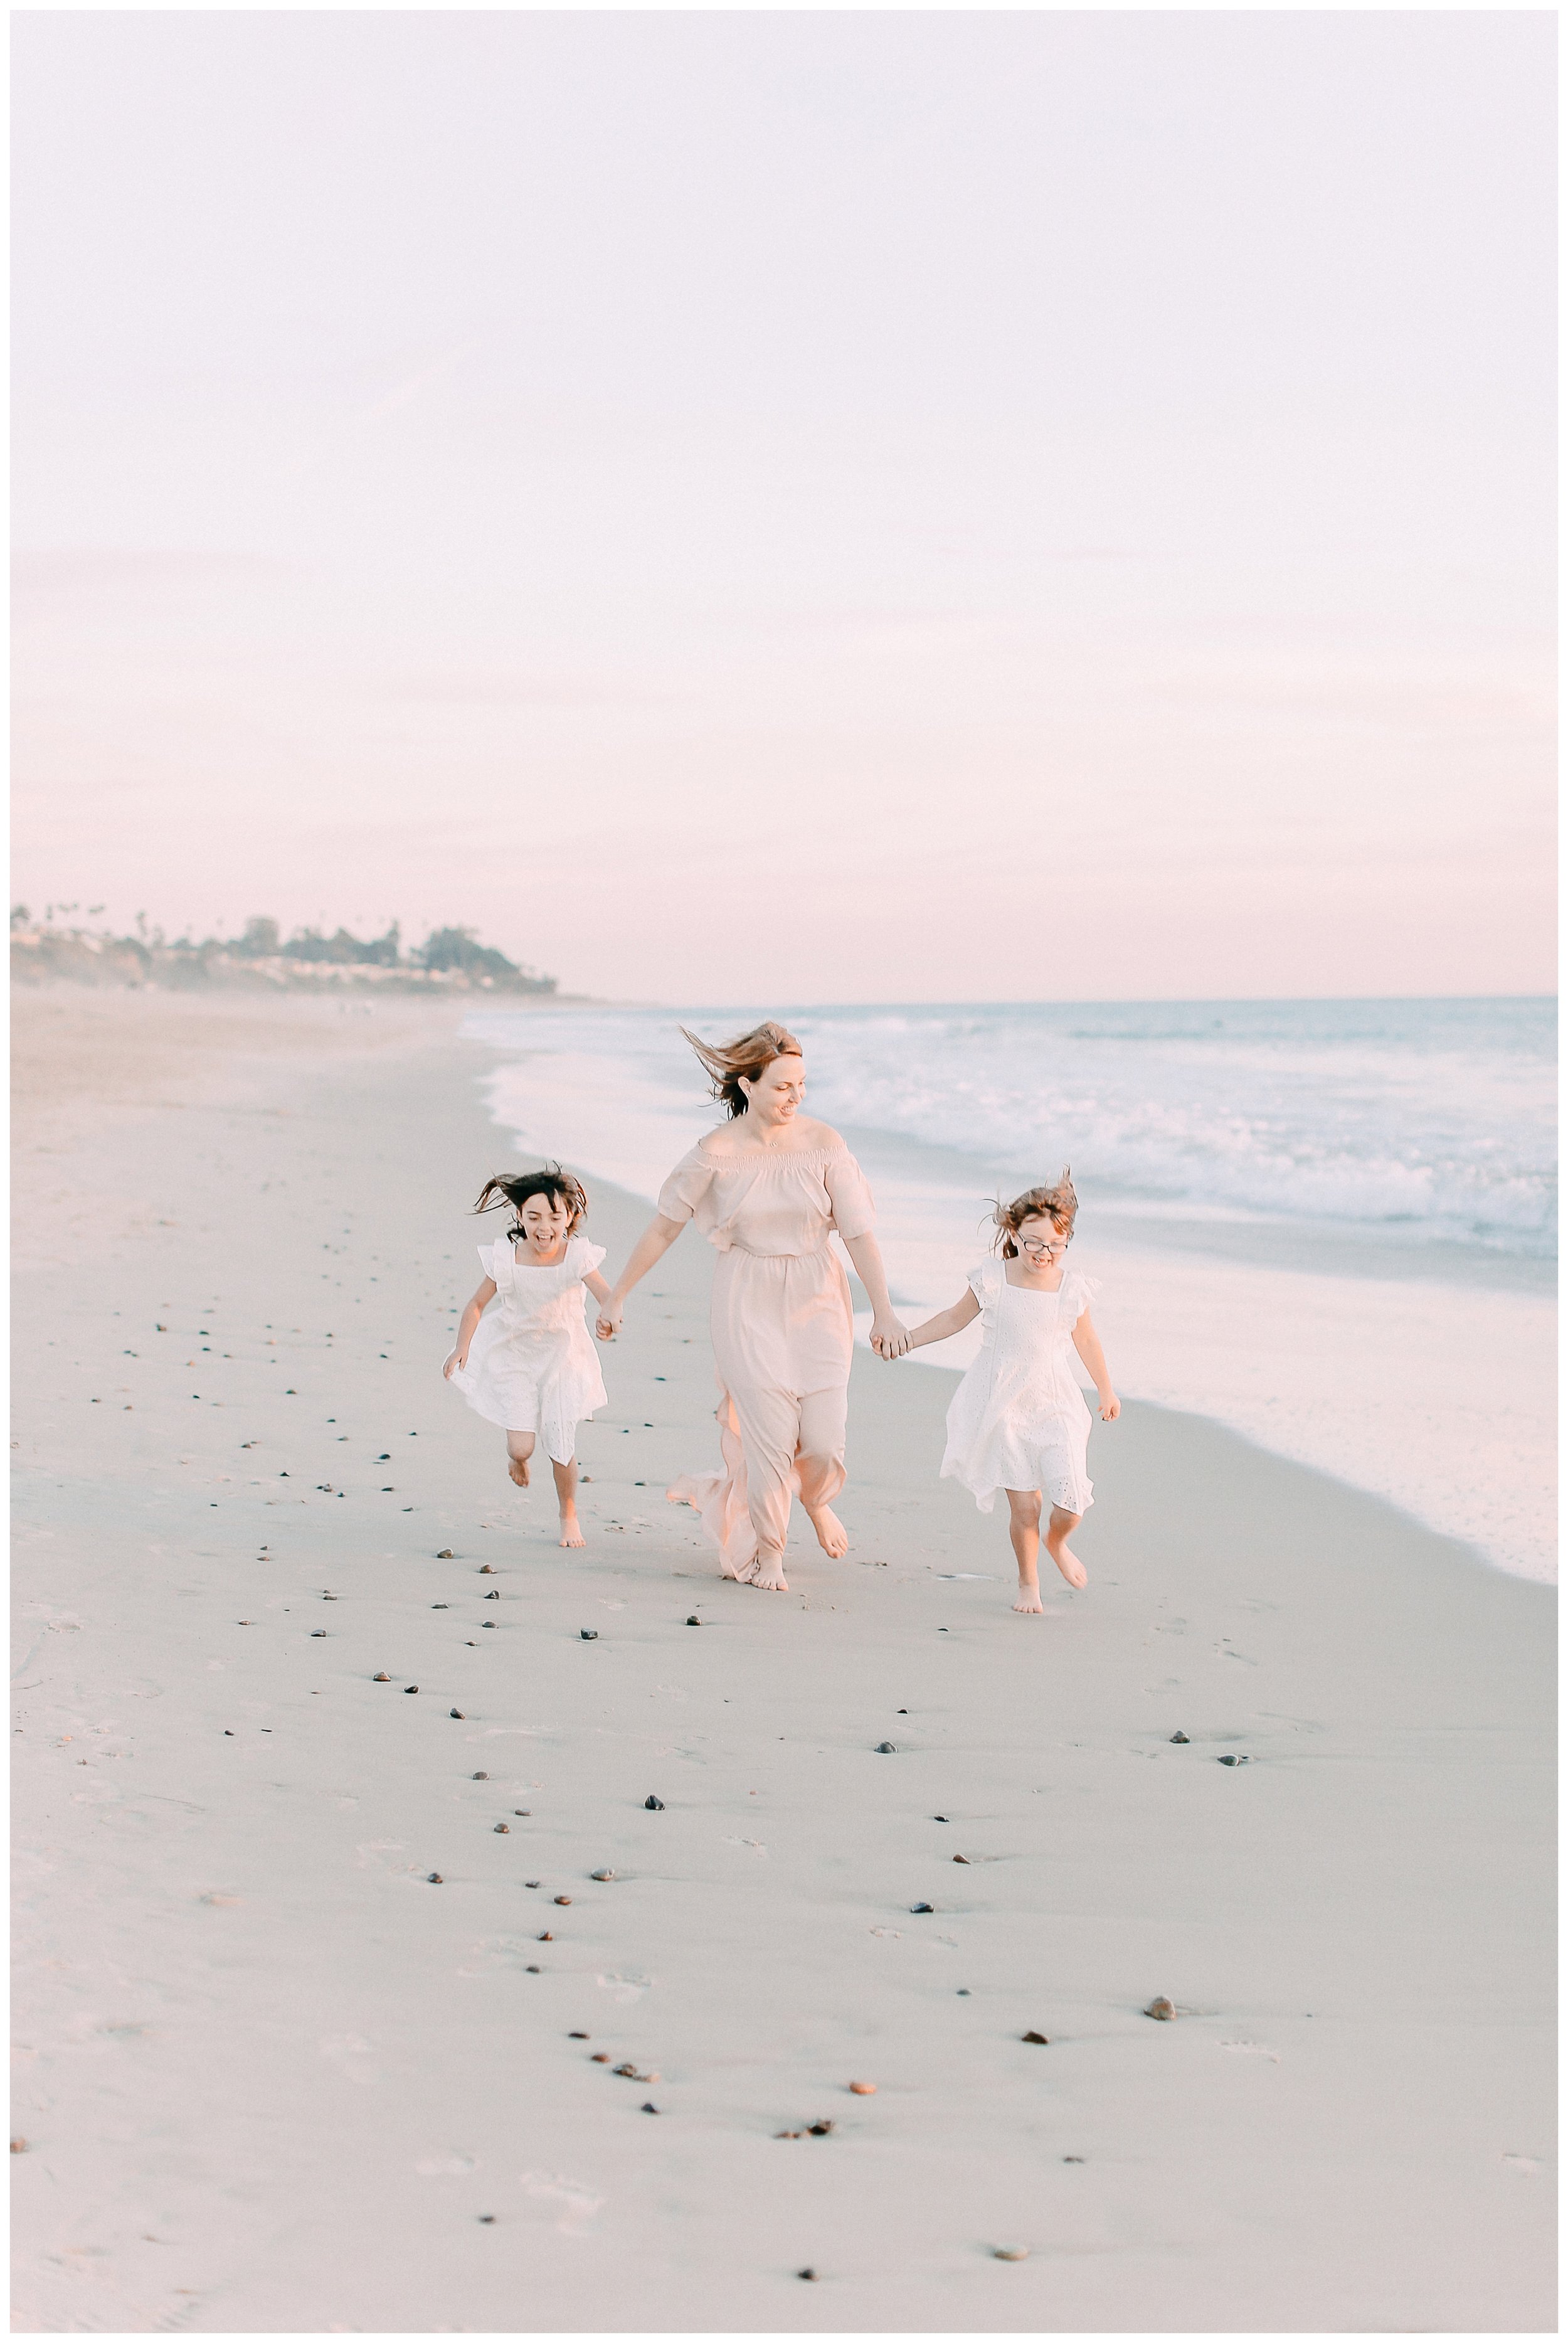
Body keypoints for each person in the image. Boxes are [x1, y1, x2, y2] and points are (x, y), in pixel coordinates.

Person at [595, 1021, 909, 1591]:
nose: (797, 1097)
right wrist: (618, 1293)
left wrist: (883, 1310)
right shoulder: (717, 1153)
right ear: (748, 1086)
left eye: (802, 1085)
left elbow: (860, 1234)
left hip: (818, 1294)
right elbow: (664, 1229)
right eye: (784, 1086)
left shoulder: (825, 1144)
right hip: (747, 1297)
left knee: (821, 1437)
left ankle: (814, 1499)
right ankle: (770, 1552)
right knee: (766, 1434)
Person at [895, 1172, 1120, 1612]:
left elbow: (1088, 1341)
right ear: (1014, 1234)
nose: (1044, 1253)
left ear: (1067, 1240)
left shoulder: (1071, 1287)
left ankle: (1058, 1543)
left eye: (1055, 1245)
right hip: (1006, 1407)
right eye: (1034, 1242)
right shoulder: (993, 1279)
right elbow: (952, 1319)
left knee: (1071, 1500)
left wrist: (1107, 1389)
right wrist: (908, 1339)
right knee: (1025, 1509)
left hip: (1056, 1404)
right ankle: (1028, 1583)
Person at [444, 1165, 611, 1549]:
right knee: (522, 1447)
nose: (544, 1227)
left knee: (561, 1441)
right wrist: (462, 1346)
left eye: (555, 1217)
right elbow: (476, 1304)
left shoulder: (578, 1257)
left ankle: (568, 1515)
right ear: (520, 1216)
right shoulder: (507, 1258)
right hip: (516, 1357)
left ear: (570, 1217)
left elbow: (606, 1294)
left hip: (565, 1358)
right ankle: (517, 1460)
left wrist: (610, 1315)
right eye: (533, 1217)